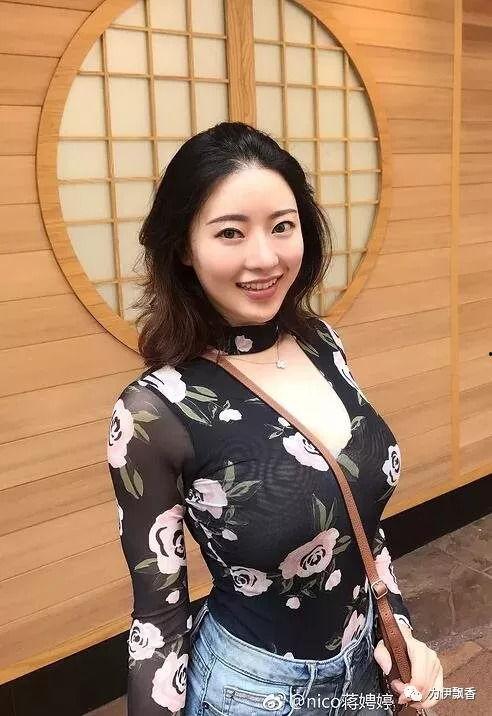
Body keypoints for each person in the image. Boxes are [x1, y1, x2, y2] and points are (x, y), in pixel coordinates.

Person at [106, 122, 443, 715]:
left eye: (282, 226)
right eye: (230, 232)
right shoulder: (153, 412)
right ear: (183, 247)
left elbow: (363, 526)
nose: (264, 258)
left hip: (366, 669)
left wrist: (402, 634)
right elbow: (158, 621)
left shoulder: (323, 344)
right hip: (253, 692)